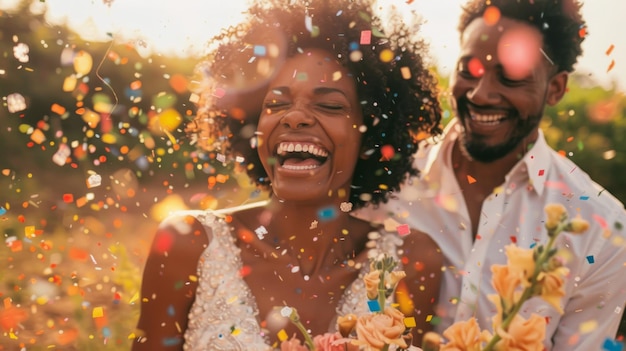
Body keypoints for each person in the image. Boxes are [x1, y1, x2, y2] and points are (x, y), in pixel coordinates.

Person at [131, 0, 444, 350]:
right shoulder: (186, 243)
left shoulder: (411, 262)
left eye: (329, 105)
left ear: (370, 133)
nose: (294, 117)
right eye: (276, 104)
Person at [355, 0, 626, 350]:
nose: (480, 94)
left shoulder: (603, 230)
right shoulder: (386, 182)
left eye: (511, 76)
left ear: (556, 88)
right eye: (469, 69)